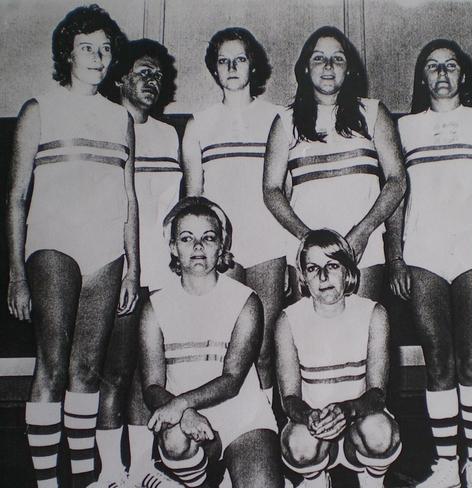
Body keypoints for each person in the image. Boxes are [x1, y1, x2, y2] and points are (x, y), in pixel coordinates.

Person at [5, 5, 137, 487]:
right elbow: (16, 197)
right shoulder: (39, 108)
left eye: (104, 48)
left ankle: (82, 477)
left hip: (106, 248)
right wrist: (16, 272)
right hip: (52, 244)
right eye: (87, 47)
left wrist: (134, 268)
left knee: (87, 370)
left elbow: (130, 198)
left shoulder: (119, 117)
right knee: (54, 363)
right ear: (68, 52)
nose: (97, 56)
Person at [386, 39, 472, 488]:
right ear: (422, 77)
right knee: (437, 360)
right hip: (424, 255)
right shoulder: (406, 128)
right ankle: (447, 465)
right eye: (432, 66)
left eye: (451, 65)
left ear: (463, 74)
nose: (443, 73)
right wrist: (395, 257)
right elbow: (395, 196)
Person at [139, 196, 283, 488]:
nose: (197, 247)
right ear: (173, 248)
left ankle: (232, 471)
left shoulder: (245, 300)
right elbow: (152, 386)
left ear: (221, 247)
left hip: (242, 416)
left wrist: (181, 404)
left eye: (208, 238)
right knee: (175, 439)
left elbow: (231, 380)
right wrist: (186, 412)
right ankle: (200, 479)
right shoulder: (155, 306)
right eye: (186, 238)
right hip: (186, 420)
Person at [263, 26, 406, 303]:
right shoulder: (285, 121)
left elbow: (397, 180)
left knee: (359, 335)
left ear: (349, 68)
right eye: (318, 58)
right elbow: (271, 189)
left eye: (337, 58)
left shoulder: (374, 112)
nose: (328, 66)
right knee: (308, 339)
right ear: (305, 68)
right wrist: (307, 239)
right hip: (306, 248)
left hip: (361, 246)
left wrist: (363, 232)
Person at [183, 27, 287, 400]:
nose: (231, 66)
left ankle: (265, 432)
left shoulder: (279, 118)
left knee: (264, 350)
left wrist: (290, 256)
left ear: (252, 65)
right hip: (220, 247)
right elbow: (193, 200)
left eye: (239, 59)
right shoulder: (199, 123)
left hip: (268, 244)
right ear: (214, 68)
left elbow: (285, 191)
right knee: (225, 347)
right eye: (222, 60)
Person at [97, 39, 182, 487]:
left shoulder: (169, 135)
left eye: (158, 76)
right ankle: (112, 474)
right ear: (119, 78)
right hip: (121, 270)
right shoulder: (106, 126)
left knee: (149, 375)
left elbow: (175, 209)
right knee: (115, 370)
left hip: (163, 274)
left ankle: (144, 469)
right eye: (143, 73)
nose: (152, 82)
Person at [276, 229, 402, 488]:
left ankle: (372, 481)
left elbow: (377, 393)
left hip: (359, 420)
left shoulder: (373, 313)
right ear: (302, 277)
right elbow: (289, 399)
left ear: (349, 272)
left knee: (382, 435)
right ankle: (316, 479)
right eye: (313, 268)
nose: (323, 276)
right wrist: (310, 416)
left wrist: (347, 411)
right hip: (315, 427)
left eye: (332, 265)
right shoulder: (289, 319)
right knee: (298, 446)